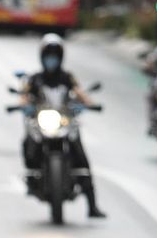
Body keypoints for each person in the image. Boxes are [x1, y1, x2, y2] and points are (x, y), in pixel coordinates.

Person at [19, 33, 106, 218]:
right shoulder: (35, 79)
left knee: (81, 158)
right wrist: (23, 106)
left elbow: (80, 93)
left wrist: (89, 104)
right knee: (28, 142)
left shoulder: (67, 77)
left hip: (64, 122)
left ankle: (92, 206)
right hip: (42, 123)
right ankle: (32, 178)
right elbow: (24, 97)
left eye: (55, 56)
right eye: (49, 55)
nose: (52, 60)